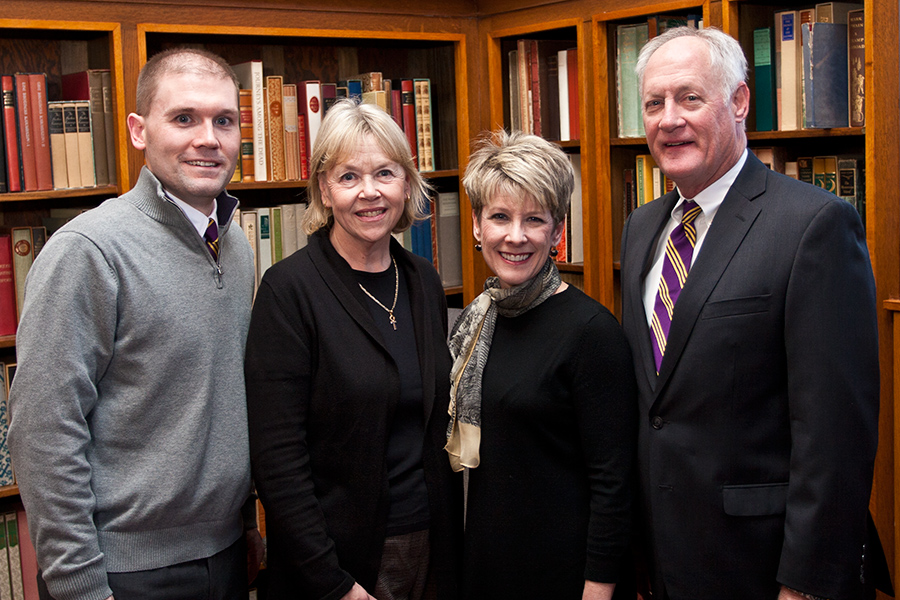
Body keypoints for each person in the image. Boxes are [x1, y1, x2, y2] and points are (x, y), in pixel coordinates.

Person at [620, 26, 891, 600]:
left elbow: (835, 433)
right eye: (654, 103)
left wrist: (806, 582)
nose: (669, 119)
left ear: (739, 101)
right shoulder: (642, 228)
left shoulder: (813, 226)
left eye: (689, 98)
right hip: (664, 559)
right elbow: (655, 408)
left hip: (764, 566)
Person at [7, 47, 263, 600]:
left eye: (224, 121)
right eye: (183, 119)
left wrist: (243, 527)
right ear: (138, 130)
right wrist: (79, 585)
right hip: (121, 572)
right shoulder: (88, 250)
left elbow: (223, 396)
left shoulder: (235, 245)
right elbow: (44, 433)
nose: (207, 138)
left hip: (223, 558)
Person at [244, 99, 461, 600]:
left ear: (406, 183)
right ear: (324, 187)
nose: (369, 193)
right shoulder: (289, 291)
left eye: (384, 173)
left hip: (432, 543)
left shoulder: (423, 281)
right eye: (348, 177)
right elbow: (278, 460)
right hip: (340, 563)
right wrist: (333, 582)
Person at [449, 130, 636, 600]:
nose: (516, 236)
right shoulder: (477, 319)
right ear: (476, 225)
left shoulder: (592, 333)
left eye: (534, 219)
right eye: (499, 217)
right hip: (488, 565)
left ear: (557, 231)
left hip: (563, 575)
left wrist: (598, 591)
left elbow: (613, 483)